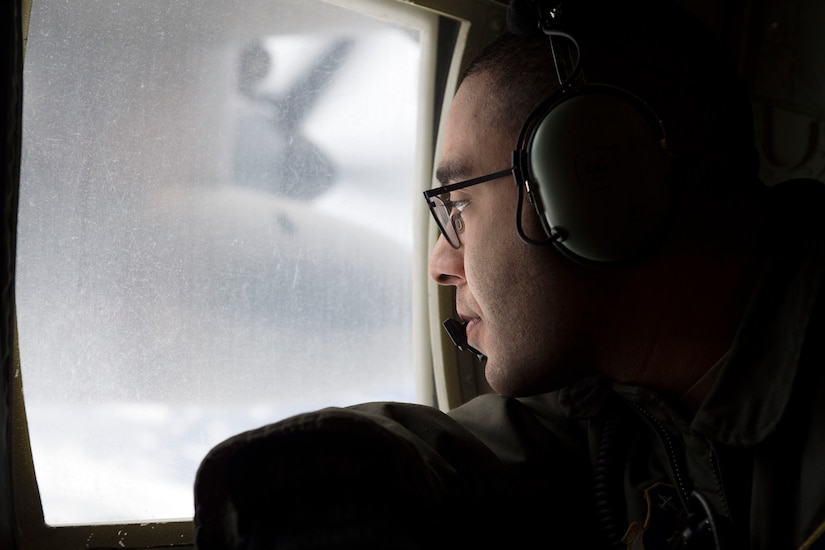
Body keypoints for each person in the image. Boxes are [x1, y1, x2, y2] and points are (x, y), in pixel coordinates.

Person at [193, 0, 825, 548]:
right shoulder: (619, 413)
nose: (442, 266)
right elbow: (480, 457)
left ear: (597, 183)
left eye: (459, 205)